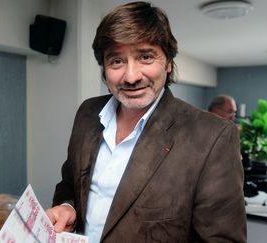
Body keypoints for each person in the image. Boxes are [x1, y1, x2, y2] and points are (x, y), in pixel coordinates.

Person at [46, 2, 246, 242]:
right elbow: (69, 184)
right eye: (116, 61)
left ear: (169, 63)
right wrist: (68, 207)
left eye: (146, 57)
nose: (131, 77)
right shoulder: (88, 113)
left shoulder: (213, 136)